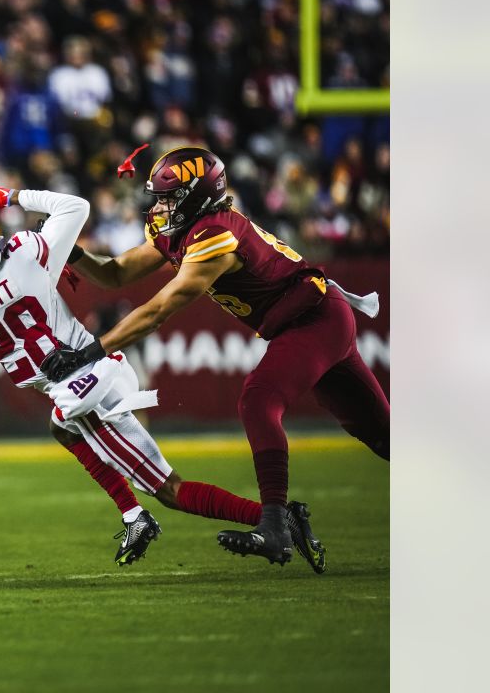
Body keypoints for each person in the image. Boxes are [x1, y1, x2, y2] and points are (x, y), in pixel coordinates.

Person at [0, 185, 324, 571]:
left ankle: (277, 520)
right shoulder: (26, 253)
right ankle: (134, 515)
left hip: (81, 387)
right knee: (61, 427)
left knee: (170, 490)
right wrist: (13, 197)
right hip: (97, 368)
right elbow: (73, 207)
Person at [45, 147, 388, 565]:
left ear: (197, 196)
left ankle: (276, 527)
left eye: (170, 197)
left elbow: (157, 310)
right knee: (382, 435)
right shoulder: (180, 225)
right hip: (308, 321)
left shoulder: (215, 234)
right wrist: (66, 248)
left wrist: (92, 351)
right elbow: (116, 272)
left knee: (258, 399)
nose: (161, 205)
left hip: (315, 319)